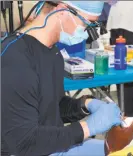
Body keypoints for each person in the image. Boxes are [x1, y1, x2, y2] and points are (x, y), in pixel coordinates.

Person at [1, 1, 122, 155]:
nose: (87, 33)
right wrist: (87, 128)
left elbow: (50, 106)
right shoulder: (15, 59)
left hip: (48, 145)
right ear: (62, 11)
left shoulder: (53, 53)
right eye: (87, 24)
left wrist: (85, 105)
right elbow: (24, 142)